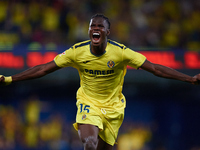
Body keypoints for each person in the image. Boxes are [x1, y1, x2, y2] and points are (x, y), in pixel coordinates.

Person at [0, 14, 200, 150]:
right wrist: (10, 79)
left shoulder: (120, 53)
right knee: (89, 143)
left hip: (113, 108)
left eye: (100, 27)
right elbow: (43, 68)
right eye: (92, 26)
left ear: (107, 32)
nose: (95, 29)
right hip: (88, 103)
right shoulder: (77, 51)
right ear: (89, 31)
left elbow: (156, 68)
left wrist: (189, 78)